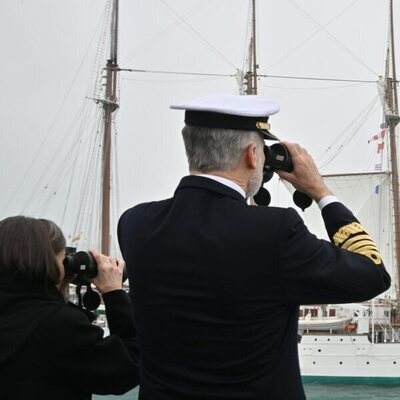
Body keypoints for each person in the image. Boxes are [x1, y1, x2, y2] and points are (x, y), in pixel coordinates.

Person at [117, 94, 391, 400]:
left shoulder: (134, 225)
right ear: (251, 154)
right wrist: (320, 191)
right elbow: (372, 273)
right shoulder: (275, 232)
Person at [0, 216, 139, 400]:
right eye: (63, 259)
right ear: (51, 262)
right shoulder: (60, 326)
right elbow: (128, 367)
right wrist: (114, 293)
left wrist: (59, 288)